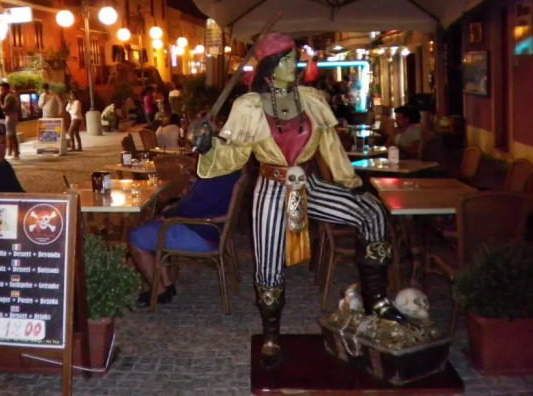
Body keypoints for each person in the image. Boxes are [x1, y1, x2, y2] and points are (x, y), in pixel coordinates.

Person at [190, 32, 405, 369]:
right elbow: (233, 155)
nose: (295, 64)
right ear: (270, 67)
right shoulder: (249, 106)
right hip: (271, 189)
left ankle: (376, 301)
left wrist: (351, 183)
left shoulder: (311, 99)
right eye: (287, 59)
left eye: (294, 58)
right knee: (268, 263)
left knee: (373, 211)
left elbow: (331, 146)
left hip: (309, 185)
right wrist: (208, 146)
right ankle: (271, 335)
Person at [128, 170, 241, 306]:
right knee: (153, 228)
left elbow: (193, 208)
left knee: (136, 238)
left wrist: (169, 212)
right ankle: (167, 284)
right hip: (212, 230)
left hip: (201, 233)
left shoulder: (217, 177)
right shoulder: (231, 171)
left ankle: (159, 291)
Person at [0, 82, 20, 159]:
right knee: (11, 135)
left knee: (11, 135)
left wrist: (0, 101)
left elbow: (4, 107)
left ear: (6, 88)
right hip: (13, 116)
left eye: (2, 89)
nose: (1, 91)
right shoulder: (13, 96)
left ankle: (16, 152)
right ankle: (13, 151)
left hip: (10, 117)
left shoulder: (8, 97)